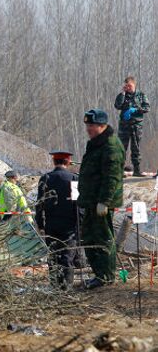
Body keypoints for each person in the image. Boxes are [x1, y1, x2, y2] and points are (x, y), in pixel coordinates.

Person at [78, 109, 125, 289]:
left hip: (100, 202)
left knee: (103, 237)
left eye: (92, 126)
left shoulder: (110, 146)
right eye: (88, 125)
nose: (88, 129)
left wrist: (104, 201)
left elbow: (111, 177)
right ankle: (99, 274)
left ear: (102, 125)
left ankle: (105, 276)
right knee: (89, 237)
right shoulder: (97, 143)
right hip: (91, 201)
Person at [35, 151, 79, 289]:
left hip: (51, 223)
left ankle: (55, 286)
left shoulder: (46, 178)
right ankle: (66, 287)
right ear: (67, 162)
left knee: (53, 255)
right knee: (67, 256)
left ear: (54, 162)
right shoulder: (73, 178)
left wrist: (40, 223)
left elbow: (39, 203)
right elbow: (78, 204)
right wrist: (80, 224)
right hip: (69, 224)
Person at [114, 76, 150, 177]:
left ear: (134, 85)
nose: (128, 88)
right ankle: (119, 171)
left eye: (129, 86)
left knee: (136, 148)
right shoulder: (123, 95)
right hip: (124, 126)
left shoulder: (141, 95)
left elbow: (147, 107)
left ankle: (137, 170)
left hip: (136, 125)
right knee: (121, 148)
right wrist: (122, 93)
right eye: (126, 86)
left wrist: (135, 109)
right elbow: (117, 105)